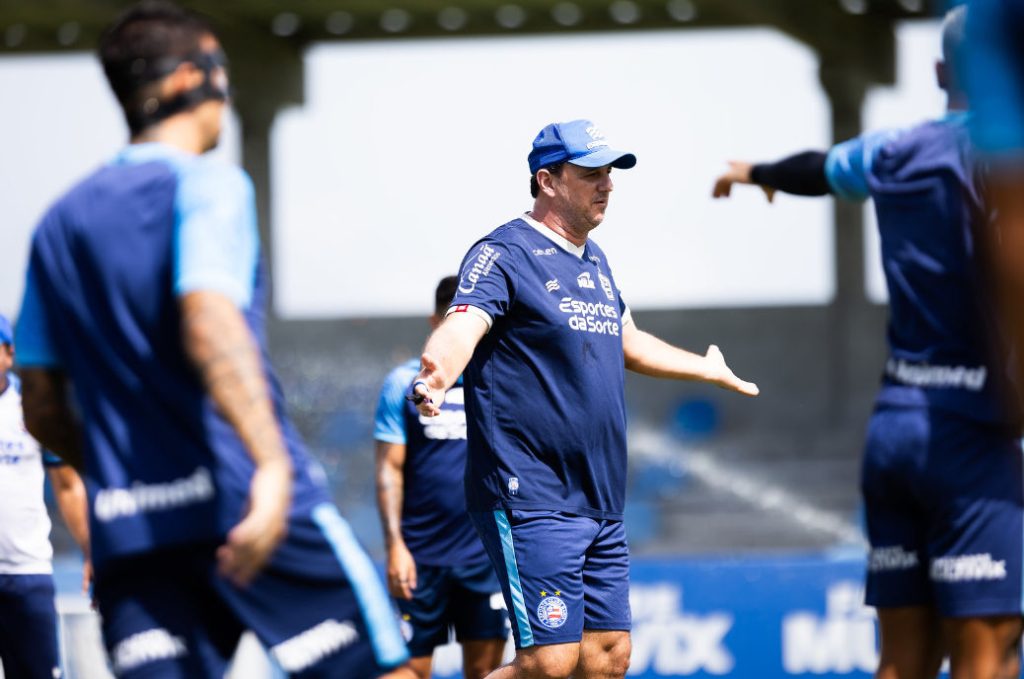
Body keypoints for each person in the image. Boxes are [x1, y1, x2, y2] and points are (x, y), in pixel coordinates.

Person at [13, 2, 408, 677]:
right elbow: (208, 317)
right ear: (188, 78)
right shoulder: (206, 184)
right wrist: (273, 466)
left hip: (133, 528)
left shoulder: (57, 222)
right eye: (220, 66)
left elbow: (41, 404)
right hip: (244, 497)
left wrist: (128, 472)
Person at [712, 8, 1024, 679]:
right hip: (973, 432)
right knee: (987, 655)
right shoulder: (1010, 159)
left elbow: (817, 169)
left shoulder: (892, 150)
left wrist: (754, 168)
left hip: (894, 431)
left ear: (941, 72)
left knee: (902, 659)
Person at [410, 119, 758, 679]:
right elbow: (463, 324)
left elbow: (629, 342)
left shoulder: (595, 260)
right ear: (547, 180)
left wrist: (706, 367)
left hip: (597, 495)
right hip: (530, 491)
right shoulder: (504, 252)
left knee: (607, 657)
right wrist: (436, 373)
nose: (608, 184)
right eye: (592, 173)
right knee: (548, 663)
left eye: (611, 173)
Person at [373, 276, 509, 679]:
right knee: (408, 672)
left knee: (485, 672)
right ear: (435, 322)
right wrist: (395, 546)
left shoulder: (499, 386)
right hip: (419, 559)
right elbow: (389, 469)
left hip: (484, 558)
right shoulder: (404, 385)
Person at [0, 313, 90, 679]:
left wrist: (91, 551)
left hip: (27, 575)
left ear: (8, 353)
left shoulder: (36, 410)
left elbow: (67, 485)